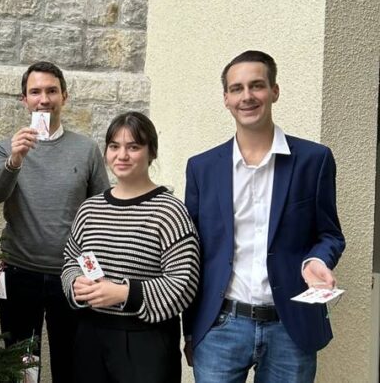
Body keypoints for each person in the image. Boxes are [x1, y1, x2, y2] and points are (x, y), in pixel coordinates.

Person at [183, 50, 345, 382]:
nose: (247, 96)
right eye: (237, 88)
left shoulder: (314, 160)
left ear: (274, 91)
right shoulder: (202, 168)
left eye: (257, 85)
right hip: (220, 326)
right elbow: (192, 253)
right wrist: (190, 331)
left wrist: (314, 262)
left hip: (291, 327)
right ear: (226, 98)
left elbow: (330, 235)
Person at [0, 61, 110, 382]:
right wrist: (15, 160)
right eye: (35, 92)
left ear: (64, 97)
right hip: (18, 272)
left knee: (70, 364)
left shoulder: (86, 149)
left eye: (51, 91)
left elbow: (102, 210)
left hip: (72, 277)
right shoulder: (5, 147)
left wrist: (96, 271)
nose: (44, 99)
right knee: (21, 365)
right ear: (24, 100)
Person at [61, 112, 200, 382]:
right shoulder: (90, 208)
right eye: (114, 146)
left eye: (133, 147)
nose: (121, 155)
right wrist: (75, 285)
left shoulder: (169, 211)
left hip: (146, 339)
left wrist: (125, 293)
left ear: (151, 153)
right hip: (90, 335)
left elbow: (184, 284)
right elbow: (70, 261)